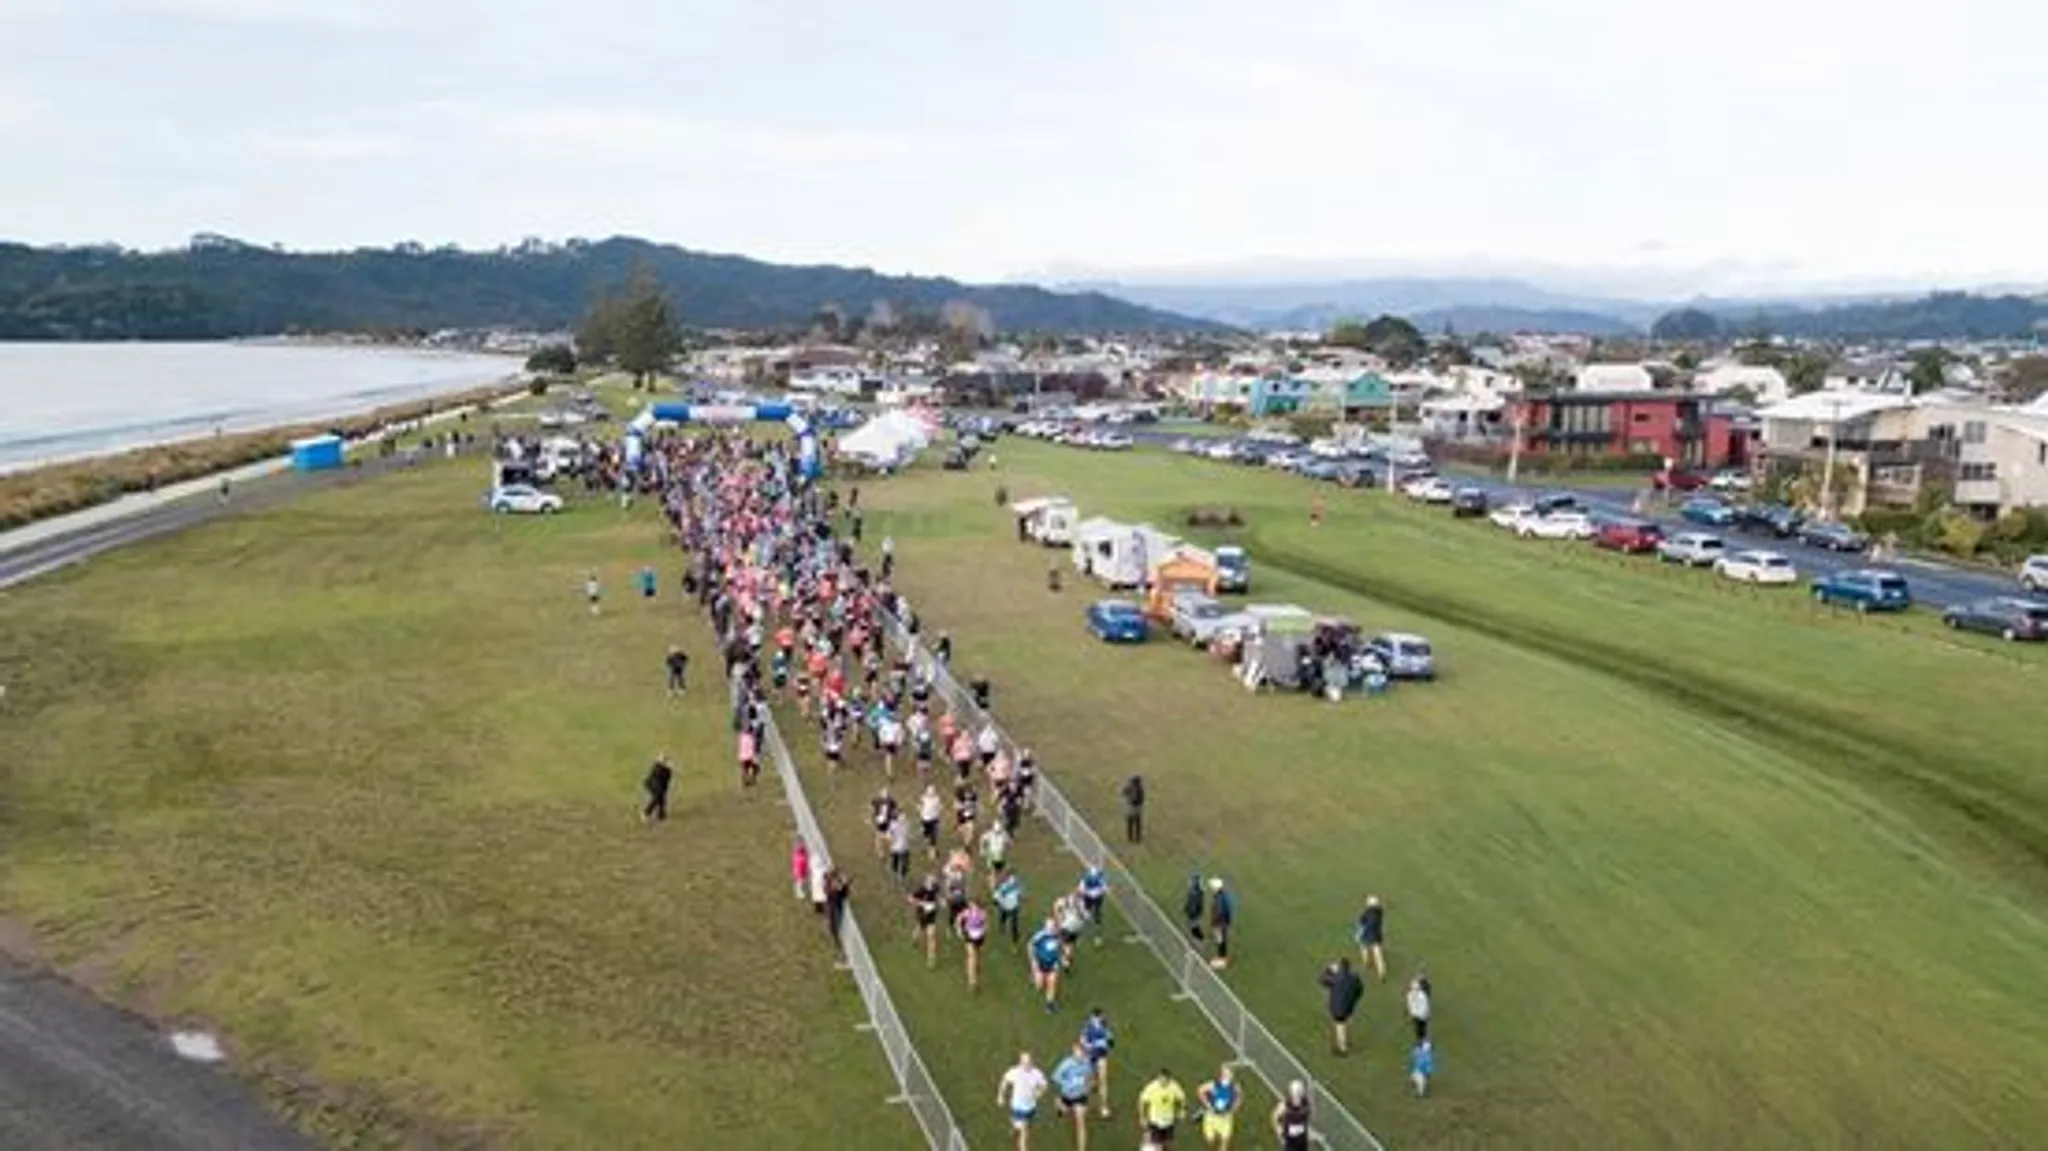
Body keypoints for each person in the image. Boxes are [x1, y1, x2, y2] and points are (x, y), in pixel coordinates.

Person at [997, 1052, 1050, 1151]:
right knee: (1025, 1134)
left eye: (1029, 1062)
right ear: (1020, 1063)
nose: (1027, 1065)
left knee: (1025, 1127)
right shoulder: (1015, 1072)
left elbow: (1044, 1085)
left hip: (1030, 1107)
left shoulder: (1036, 1073)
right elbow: (1005, 1081)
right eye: (1024, 1063)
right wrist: (1000, 1096)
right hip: (1018, 1107)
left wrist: (1039, 1093)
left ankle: (1015, 1127)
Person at [1051, 1042, 1095, 1151]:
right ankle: (1058, 1103)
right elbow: (1055, 1077)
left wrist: (1090, 1084)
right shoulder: (1066, 1064)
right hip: (1067, 1095)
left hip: (1080, 1096)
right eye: (1078, 1053)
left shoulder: (1086, 1064)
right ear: (1074, 1052)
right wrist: (1068, 1084)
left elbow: (1090, 1076)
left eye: (1082, 1053)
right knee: (1065, 1111)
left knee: (1080, 1123)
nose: (1080, 1055)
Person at [1320, 957, 1365, 1055]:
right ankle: (1347, 1040)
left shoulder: (1336, 978)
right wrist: (1354, 1000)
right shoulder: (1354, 977)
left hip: (1338, 1007)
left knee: (1340, 1025)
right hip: (1349, 1005)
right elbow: (1360, 989)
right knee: (1346, 1022)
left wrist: (1328, 970)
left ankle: (1342, 1048)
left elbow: (1323, 980)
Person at [1136, 1068, 1186, 1150]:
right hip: (1155, 1121)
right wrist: (1142, 1117)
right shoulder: (1152, 1087)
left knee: (1168, 1143)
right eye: (1161, 1079)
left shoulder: (1174, 1086)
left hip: (1169, 1120)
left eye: (1165, 1080)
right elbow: (1142, 1101)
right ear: (1158, 1078)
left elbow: (1182, 1098)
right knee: (1157, 1144)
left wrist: (1182, 1110)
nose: (1163, 1082)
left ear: (1169, 1079)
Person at [1080, 1008, 1115, 1119]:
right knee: (1088, 1081)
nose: (1097, 1020)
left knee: (1103, 1081)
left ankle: (1104, 1107)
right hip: (1089, 1057)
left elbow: (1111, 1042)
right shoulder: (1087, 1027)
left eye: (1099, 1018)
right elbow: (1083, 1040)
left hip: (1101, 1056)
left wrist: (1106, 1043)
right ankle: (1083, 1102)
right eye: (1095, 1018)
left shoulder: (1105, 1027)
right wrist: (1089, 1045)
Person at [1195, 1065, 1239, 1150]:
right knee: (1210, 1141)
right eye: (1225, 1074)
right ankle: (1202, 1113)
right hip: (1211, 1117)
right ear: (1222, 1075)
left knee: (1225, 1142)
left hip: (1225, 1118)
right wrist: (1207, 1104)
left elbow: (1239, 1096)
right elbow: (1200, 1090)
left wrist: (1234, 1108)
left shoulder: (1234, 1087)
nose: (1227, 1076)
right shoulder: (1214, 1084)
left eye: (1229, 1074)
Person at [1028, 916, 1064, 1011]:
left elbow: (1058, 947)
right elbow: (1030, 946)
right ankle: (1034, 977)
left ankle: (1050, 1004)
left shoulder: (1057, 936)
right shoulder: (1040, 936)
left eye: (1053, 926)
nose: (1051, 929)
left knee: (1051, 984)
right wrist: (1033, 961)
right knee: (1039, 986)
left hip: (1052, 964)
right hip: (1040, 963)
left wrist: (1059, 959)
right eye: (1050, 927)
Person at [956, 896, 990, 991]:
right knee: (971, 956)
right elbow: (958, 919)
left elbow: (986, 924)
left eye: (973, 905)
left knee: (978, 954)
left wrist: (984, 930)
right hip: (969, 936)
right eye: (971, 905)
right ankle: (972, 982)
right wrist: (959, 930)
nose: (971, 906)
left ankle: (976, 967)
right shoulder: (967, 912)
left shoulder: (983, 914)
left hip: (979, 937)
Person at [908, 873, 942, 968]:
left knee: (931, 936)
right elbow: (910, 899)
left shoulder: (936, 889)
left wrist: (939, 902)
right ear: (927, 882)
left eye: (934, 881)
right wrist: (922, 904)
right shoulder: (921, 890)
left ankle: (931, 958)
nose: (933, 883)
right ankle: (914, 940)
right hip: (922, 915)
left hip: (931, 916)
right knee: (919, 929)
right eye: (931, 881)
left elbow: (937, 897)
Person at [1271, 1081, 1311, 1151]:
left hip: (1302, 1140)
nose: (1297, 1095)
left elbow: (1306, 1118)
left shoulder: (1306, 1104)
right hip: (1290, 1141)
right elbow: (1274, 1116)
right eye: (1296, 1093)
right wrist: (1278, 1129)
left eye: (1299, 1092)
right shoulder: (1285, 1105)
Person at [1355, 895, 1387, 981]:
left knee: (1363, 947)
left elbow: (1362, 924)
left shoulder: (1367, 913)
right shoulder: (1380, 912)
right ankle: (1381, 972)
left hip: (1368, 935)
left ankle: (1367, 962)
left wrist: (1359, 934)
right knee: (1378, 955)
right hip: (1377, 935)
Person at [1206, 877, 1235, 969]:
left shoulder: (1219, 898)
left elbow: (1219, 912)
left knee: (1220, 941)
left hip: (1220, 924)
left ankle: (1221, 960)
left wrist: (1214, 922)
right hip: (1224, 923)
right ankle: (1221, 958)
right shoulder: (1223, 896)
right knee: (1221, 940)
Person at [1078, 865, 1109, 945]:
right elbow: (1081, 889)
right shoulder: (1087, 879)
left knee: (1096, 915)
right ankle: (1085, 932)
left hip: (1096, 897)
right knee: (1087, 914)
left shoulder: (1098, 878)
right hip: (1090, 897)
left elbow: (1104, 888)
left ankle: (1097, 936)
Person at [994, 868, 1025, 945]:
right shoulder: (1004, 886)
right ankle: (1002, 926)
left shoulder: (1017, 884)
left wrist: (1021, 896)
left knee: (1014, 924)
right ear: (1008, 877)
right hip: (1005, 907)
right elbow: (997, 896)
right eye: (1011, 877)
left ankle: (1015, 939)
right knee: (1003, 916)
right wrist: (1000, 901)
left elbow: (1019, 893)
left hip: (1014, 907)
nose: (1013, 879)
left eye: (1014, 877)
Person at [824, 866, 851, 950]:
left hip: (837, 907)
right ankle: (837, 944)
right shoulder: (829, 886)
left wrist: (844, 886)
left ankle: (838, 943)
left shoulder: (837, 886)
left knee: (836, 927)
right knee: (834, 928)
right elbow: (830, 893)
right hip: (833, 908)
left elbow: (844, 894)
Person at [641, 754, 673, 823]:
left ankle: (661, 815)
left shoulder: (667, 771)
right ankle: (646, 813)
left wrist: (664, 791)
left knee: (661, 798)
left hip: (659, 785)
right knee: (657, 798)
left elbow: (665, 782)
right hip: (652, 785)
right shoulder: (658, 769)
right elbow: (657, 781)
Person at [919, 784, 945, 859]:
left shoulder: (936, 799)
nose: (931, 794)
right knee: (927, 836)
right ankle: (929, 850)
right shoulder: (924, 798)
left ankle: (932, 853)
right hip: (926, 820)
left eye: (932, 792)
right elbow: (921, 807)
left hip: (933, 820)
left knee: (932, 837)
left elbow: (940, 807)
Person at [1406, 972, 1432, 1042]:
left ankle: (1422, 1039)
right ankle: (1422, 1040)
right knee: (1420, 1028)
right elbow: (1411, 1006)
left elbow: (1424, 1007)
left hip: (1420, 1015)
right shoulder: (1417, 996)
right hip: (1419, 1015)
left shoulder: (1417, 996)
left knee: (1422, 1028)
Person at [1121, 774, 1146, 843]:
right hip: (1137, 808)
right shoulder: (1139, 789)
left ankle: (1131, 837)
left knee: (1131, 823)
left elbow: (1125, 793)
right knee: (1136, 823)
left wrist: (1128, 798)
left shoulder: (1134, 789)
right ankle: (1136, 837)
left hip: (1132, 808)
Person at [1183, 872, 1206, 943]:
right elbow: (1190, 901)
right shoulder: (1194, 891)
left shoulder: (1197, 893)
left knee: (1194, 929)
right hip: (1193, 914)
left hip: (1194, 914)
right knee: (1193, 928)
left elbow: (1195, 903)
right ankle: (1197, 941)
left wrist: (1191, 910)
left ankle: (1199, 942)